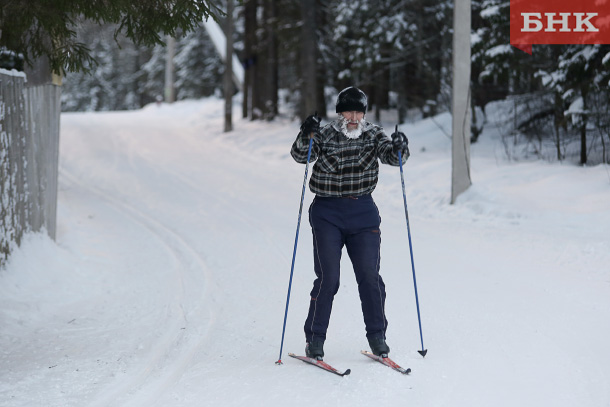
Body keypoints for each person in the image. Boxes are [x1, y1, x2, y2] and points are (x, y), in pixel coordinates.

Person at [290, 86, 409, 360]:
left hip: (363, 213)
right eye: (348, 111)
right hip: (327, 212)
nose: (353, 117)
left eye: (358, 111)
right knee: (329, 279)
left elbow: (393, 156)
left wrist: (401, 147)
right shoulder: (325, 134)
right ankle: (315, 339)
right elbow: (302, 157)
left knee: (369, 276)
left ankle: (377, 336)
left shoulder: (374, 134)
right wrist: (304, 134)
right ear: (339, 113)